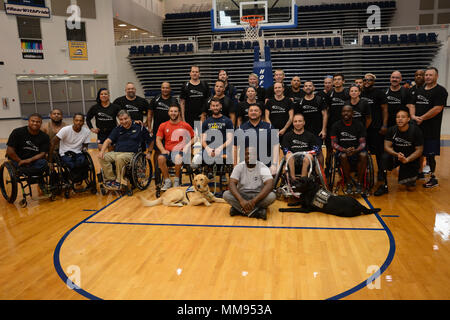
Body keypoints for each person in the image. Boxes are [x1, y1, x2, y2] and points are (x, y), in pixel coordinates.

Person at [409, 67, 448, 188]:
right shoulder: (420, 90)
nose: (428, 77)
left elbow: (437, 109)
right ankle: (419, 173)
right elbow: (412, 104)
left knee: (430, 155)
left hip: (431, 129)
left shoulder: (440, 91)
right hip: (418, 127)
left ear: (436, 76)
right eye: (426, 75)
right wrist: (413, 116)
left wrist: (422, 118)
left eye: (431, 75)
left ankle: (433, 177)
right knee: (418, 152)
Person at [98, 110, 153, 190]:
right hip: (117, 152)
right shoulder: (118, 128)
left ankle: (119, 181)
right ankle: (111, 180)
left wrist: (149, 152)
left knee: (120, 158)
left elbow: (151, 141)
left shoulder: (139, 127)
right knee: (103, 157)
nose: (123, 121)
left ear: (130, 118)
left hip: (132, 154)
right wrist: (102, 151)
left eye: (125, 119)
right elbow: (108, 141)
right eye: (121, 119)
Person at [374, 108, 424, 196]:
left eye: (403, 117)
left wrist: (407, 159)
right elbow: (386, 146)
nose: (400, 119)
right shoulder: (392, 130)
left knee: (410, 188)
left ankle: (409, 175)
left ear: (408, 119)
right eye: (398, 117)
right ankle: (384, 185)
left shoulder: (416, 131)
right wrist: (396, 154)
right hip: (396, 155)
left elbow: (419, 150)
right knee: (384, 157)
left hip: (410, 157)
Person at [224, 146, 276, 220]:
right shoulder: (239, 167)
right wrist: (241, 200)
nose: (249, 156)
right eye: (247, 154)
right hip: (242, 195)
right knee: (226, 194)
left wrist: (254, 201)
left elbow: (270, 184)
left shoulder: (263, 167)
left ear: (256, 156)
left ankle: (238, 209)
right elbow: (231, 183)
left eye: (252, 154)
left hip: (258, 196)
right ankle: (256, 212)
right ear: (244, 156)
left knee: (272, 196)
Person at [330, 105, 368, 195]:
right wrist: (344, 150)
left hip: (356, 150)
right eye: (343, 111)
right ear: (341, 113)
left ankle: (359, 183)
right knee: (343, 156)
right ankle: (348, 183)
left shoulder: (359, 125)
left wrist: (355, 150)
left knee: (364, 155)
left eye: (348, 111)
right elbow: (333, 143)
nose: (346, 113)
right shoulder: (336, 125)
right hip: (342, 151)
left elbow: (362, 143)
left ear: (353, 113)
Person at [156, 105, 195, 191]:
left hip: (181, 152)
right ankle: (167, 181)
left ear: (179, 113)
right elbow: (158, 139)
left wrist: (188, 145)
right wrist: (163, 150)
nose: (173, 113)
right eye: (171, 111)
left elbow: (194, 137)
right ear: (168, 113)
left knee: (178, 157)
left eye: (175, 111)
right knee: (160, 158)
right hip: (168, 152)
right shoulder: (163, 125)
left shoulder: (185, 125)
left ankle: (177, 181)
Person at [234, 104, 279, 175]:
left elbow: (276, 145)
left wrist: (274, 164)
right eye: (251, 110)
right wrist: (235, 165)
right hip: (246, 167)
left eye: (256, 110)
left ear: (260, 113)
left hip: (265, 165)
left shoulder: (269, 127)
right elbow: (235, 147)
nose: (253, 112)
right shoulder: (241, 128)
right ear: (248, 113)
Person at [361, 73, 388, 182]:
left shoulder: (379, 93)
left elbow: (385, 110)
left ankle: (381, 172)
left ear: (374, 82)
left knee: (379, 152)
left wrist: (384, 125)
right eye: (365, 80)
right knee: (363, 151)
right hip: (363, 128)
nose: (367, 81)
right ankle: (365, 172)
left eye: (369, 80)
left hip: (376, 128)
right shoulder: (360, 93)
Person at [193, 98, 234, 168]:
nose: (215, 108)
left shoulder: (227, 121)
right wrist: (208, 149)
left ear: (220, 106)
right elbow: (203, 140)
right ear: (210, 107)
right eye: (213, 106)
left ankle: (221, 172)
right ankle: (206, 173)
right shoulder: (206, 122)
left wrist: (219, 148)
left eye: (217, 106)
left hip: (223, 149)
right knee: (195, 163)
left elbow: (230, 139)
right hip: (208, 148)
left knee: (223, 158)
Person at [282, 113, 323, 179]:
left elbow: (317, 149)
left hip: (306, 159)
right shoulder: (287, 136)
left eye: (300, 121)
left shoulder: (310, 136)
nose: (297, 123)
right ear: (293, 123)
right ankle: (293, 179)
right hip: (292, 159)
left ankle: (303, 180)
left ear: (304, 122)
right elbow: (285, 150)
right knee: (288, 155)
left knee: (308, 157)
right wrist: (291, 154)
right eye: (295, 121)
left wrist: (306, 153)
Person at [148, 82, 179, 165]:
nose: (165, 90)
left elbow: (177, 114)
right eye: (163, 88)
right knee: (157, 150)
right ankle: (156, 172)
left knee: (171, 149)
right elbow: (150, 114)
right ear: (161, 89)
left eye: (167, 88)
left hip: (171, 129)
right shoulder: (155, 99)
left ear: (170, 89)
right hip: (158, 129)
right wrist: (149, 127)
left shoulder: (174, 100)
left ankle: (169, 168)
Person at [325, 73, 349, 174]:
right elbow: (327, 111)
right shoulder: (330, 93)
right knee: (329, 149)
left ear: (343, 81)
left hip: (344, 126)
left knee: (342, 148)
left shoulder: (347, 93)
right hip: (332, 126)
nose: (337, 81)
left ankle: (341, 167)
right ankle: (328, 168)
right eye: (335, 79)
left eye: (339, 79)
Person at [179, 65, 210, 130]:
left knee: (199, 138)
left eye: (196, 72)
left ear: (199, 74)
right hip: (188, 118)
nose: (195, 73)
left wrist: (205, 115)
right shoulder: (185, 86)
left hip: (201, 117)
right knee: (189, 138)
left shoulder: (204, 85)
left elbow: (208, 102)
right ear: (190, 73)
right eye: (193, 72)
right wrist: (183, 118)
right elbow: (182, 103)